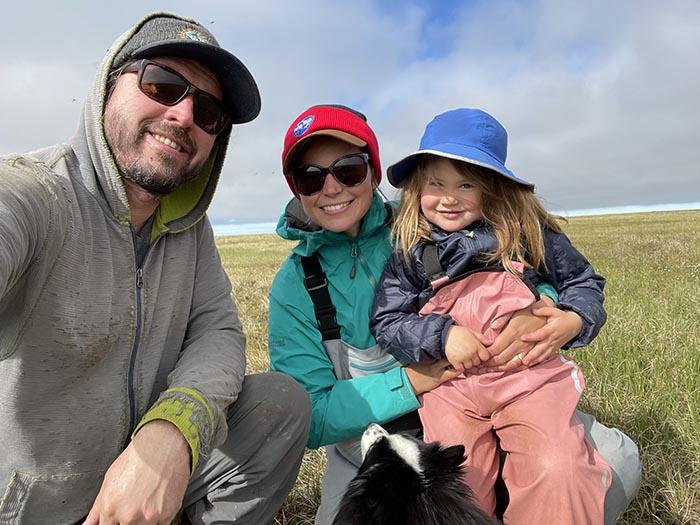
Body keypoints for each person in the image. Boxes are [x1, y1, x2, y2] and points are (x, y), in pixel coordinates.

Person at [0, 13, 310, 525]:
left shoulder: (190, 229)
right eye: (162, 84)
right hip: (32, 508)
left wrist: (174, 430)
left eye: (209, 111)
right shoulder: (36, 195)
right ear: (107, 85)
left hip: (145, 483)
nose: (184, 115)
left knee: (280, 403)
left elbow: (219, 330)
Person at [268, 104, 641, 524]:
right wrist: (418, 377)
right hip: (389, 434)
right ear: (296, 188)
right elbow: (313, 415)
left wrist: (547, 308)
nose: (332, 189)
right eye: (310, 177)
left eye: (349, 170)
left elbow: (534, 264)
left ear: (372, 170)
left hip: (508, 385)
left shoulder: (420, 224)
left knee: (597, 471)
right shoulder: (299, 283)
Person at [370, 107, 617, 523]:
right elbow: (388, 321)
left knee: (559, 467)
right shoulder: (411, 252)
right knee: (456, 483)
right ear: (417, 187)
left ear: (492, 187)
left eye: (466, 183)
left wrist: (573, 319)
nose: (449, 197)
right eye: (436, 183)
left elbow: (584, 283)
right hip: (453, 389)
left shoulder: (529, 234)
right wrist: (442, 334)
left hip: (529, 380)